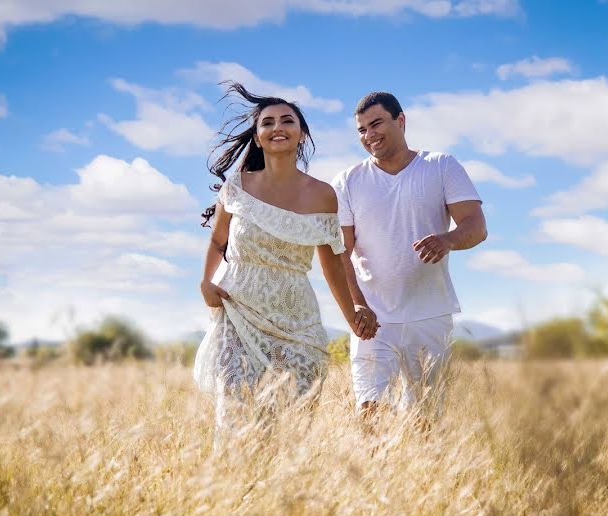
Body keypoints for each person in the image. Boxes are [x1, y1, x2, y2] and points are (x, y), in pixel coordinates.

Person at [193, 82, 376, 434]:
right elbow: (219, 240)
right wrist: (206, 282)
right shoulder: (238, 186)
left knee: (292, 421)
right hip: (240, 313)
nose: (278, 127)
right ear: (258, 137)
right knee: (236, 414)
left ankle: (282, 486)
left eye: (287, 120)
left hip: (297, 320)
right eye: (268, 122)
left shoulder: (323, 195)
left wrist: (353, 311)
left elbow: (333, 262)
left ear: (302, 134)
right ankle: (234, 486)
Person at [331, 91, 488, 414]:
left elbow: (476, 226)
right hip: (373, 317)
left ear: (400, 121)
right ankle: (373, 466)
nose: (369, 135)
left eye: (376, 124)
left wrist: (448, 240)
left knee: (425, 415)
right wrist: (358, 304)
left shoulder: (440, 166)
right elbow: (340, 252)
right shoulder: (347, 181)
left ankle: (422, 466)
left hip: (429, 314)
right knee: (369, 410)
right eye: (361, 130)